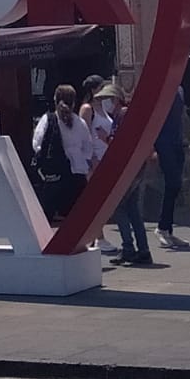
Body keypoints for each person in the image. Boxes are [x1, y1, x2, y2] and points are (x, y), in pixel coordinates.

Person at [101, 85, 153, 267]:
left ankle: (128, 248)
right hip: (138, 166)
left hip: (128, 168)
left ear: (114, 99)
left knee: (119, 208)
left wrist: (104, 138)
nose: (104, 103)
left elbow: (118, 141)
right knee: (133, 209)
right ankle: (143, 250)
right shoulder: (130, 113)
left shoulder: (121, 115)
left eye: (106, 99)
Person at [32, 84, 94, 221]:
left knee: (48, 216)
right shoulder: (80, 123)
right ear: (74, 102)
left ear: (55, 100)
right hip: (77, 172)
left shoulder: (48, 119)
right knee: (77, 216)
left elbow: (37, 143)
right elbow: (88, 147)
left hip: (56, 173)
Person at [153, 84, 190, 249]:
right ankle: (162, 228)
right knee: (173, 182)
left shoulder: (179, 89)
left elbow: (183, 117)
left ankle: (167, 228)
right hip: (163, 141)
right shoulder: (158, 88)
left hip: (177, 142)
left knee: (175, 186)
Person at [79, 75, 118, 253]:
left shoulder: (102, 107)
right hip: (95, 159)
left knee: (105, 199)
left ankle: (98, 235)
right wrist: (91, 158)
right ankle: (98, 236)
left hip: (106, 157)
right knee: (97, 198)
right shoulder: (88, 109)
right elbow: (85, 135)